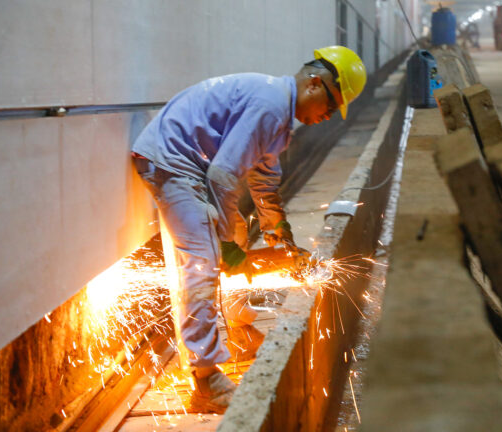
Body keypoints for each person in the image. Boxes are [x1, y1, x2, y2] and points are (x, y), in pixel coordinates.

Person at [131, 46, 366, 412]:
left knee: (235, 237)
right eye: (332, 106)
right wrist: (225, 246)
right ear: (316, 84)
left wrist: (281, 237)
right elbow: (223, 175)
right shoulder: (272, 105)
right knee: (203, 261)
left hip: (189, 166)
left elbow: (264, 183)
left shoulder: (278, 115)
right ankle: (206, 381)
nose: (328, 117)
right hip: (171, 162)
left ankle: (239, 332)